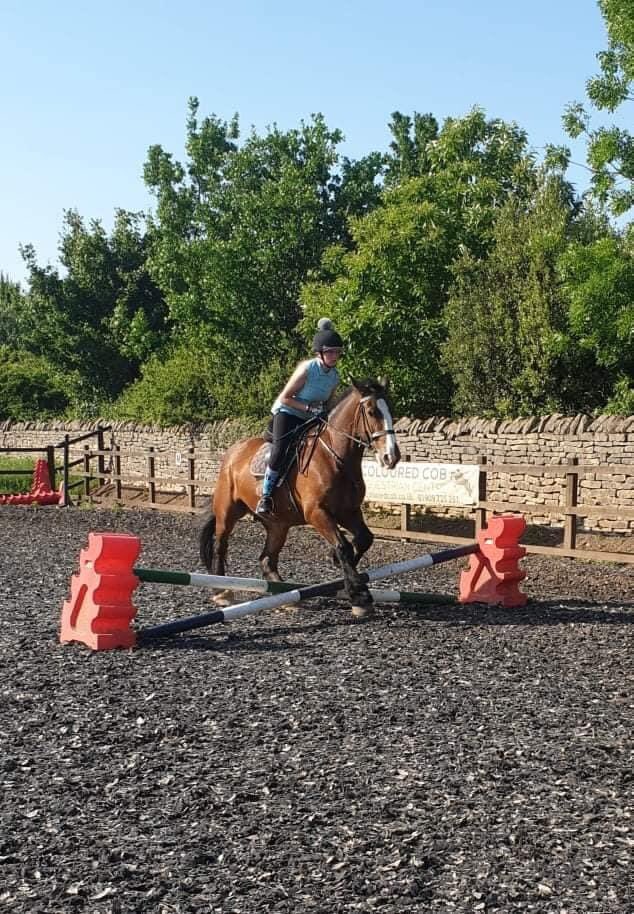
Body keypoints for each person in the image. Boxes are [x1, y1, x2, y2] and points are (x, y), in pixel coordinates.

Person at [255, 318, 344, 516]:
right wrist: (308, 408)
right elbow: (285, 398)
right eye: (330, 352)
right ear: (320, 353)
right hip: (288, 413)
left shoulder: (334, 376)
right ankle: (266, 496)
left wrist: (330, 417)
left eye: (337, 352)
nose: (334, 355)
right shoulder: (307, 369)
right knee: (280, 450)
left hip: (310, 418)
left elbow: (329, 402)